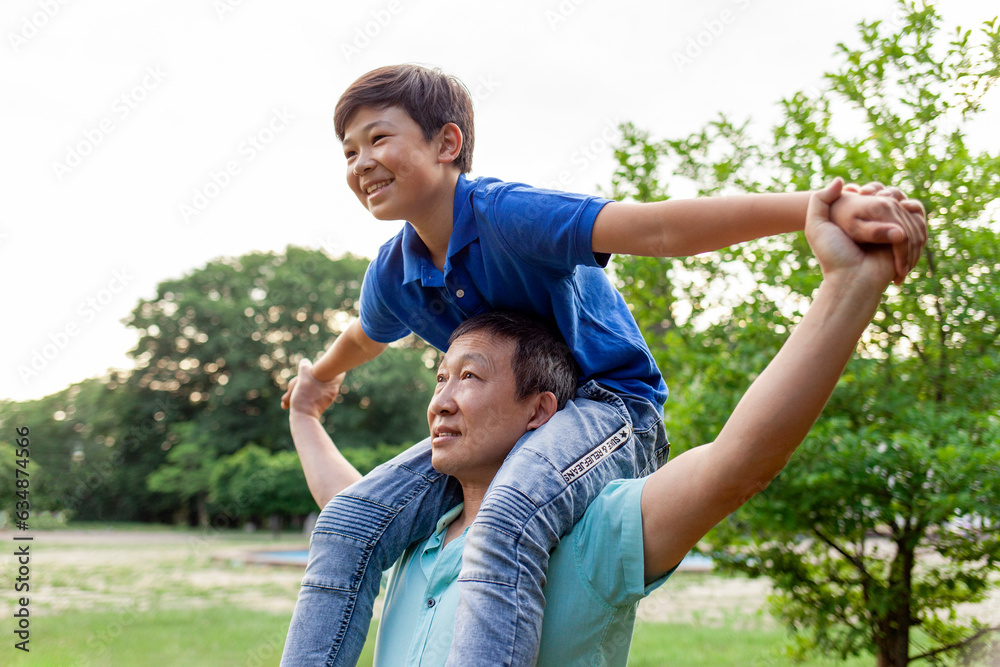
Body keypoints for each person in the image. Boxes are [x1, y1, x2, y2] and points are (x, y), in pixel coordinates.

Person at [280, 63, 926, 667]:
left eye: (378, 138)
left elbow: (657, 230)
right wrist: (319, 381)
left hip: (611, 407)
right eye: (348, 151)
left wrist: (814, 207)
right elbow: (364, 335)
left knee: (506, 517)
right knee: (348, 523)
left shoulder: (506, 215)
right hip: (525, 422)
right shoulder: (395, 272)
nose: (361, 162)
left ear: (447, 143)